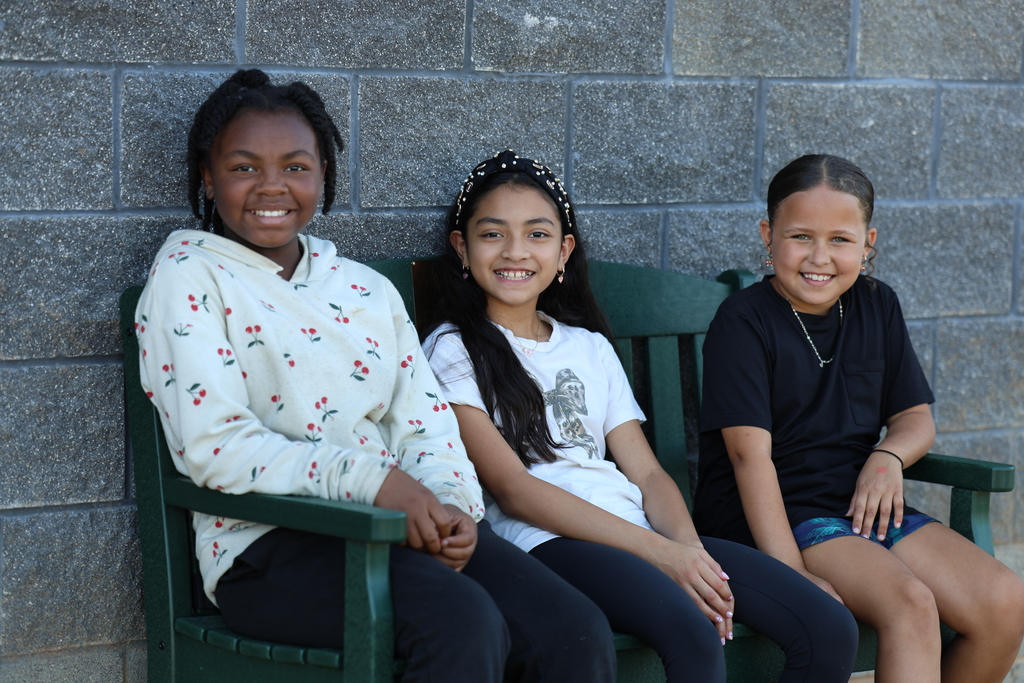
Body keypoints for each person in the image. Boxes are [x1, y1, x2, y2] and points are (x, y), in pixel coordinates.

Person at [134, 70, 616, 683]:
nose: (271, 186)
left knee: (571, 629)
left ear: (324, 173)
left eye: (296, 166)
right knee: (461, 623)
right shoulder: (188, 275)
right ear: (208, 176)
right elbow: (216, 446)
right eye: (243, 167)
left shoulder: (365, 289)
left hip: (399, 526)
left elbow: (425, 426)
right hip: (268, 547)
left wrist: (451, 507)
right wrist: (377, 483)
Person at [422, 149, 859, 683]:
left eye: (537, 234)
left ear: (563, 252)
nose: (516, 251)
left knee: (828, 626)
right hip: (549, 542)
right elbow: (513, 489)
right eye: (493, 234)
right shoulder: (452, 349)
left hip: (639, 531)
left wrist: (689, 551)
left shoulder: (588, 347)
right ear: (461, 248)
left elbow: (648, 473)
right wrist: (659, 552)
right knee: (695, 631)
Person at [694, 154, 1024, 683]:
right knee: (911, 604)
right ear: (768, 235)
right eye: (800, 236)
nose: (819, 257)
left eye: (840, 240)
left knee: (1005, 600)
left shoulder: (876, 304)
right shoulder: (744, 321)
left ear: (868, 243)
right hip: (775, 516)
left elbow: (915, 416)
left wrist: (887, 456)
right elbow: (748, 457)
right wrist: (792, 576)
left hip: (860, 506)